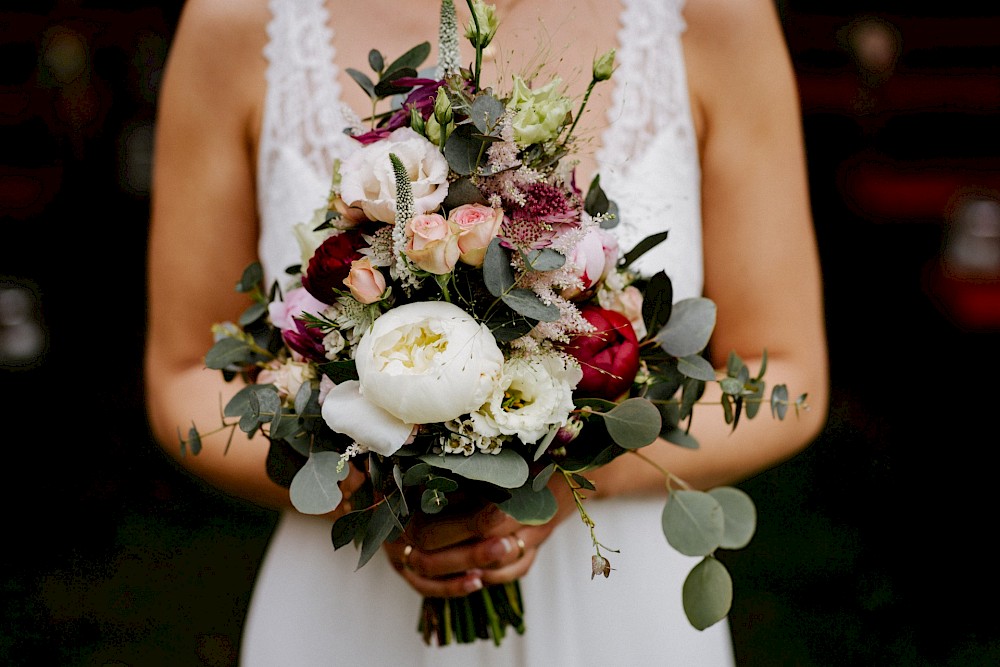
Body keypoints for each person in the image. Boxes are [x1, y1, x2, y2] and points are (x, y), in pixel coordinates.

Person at [144, 0, 829, 664]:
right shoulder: (237, 18)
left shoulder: (716, 13)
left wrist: (584, 473)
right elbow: (182, 375)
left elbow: (789, 374)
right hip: (348, 603)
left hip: (619, 609)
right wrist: (381, 491)